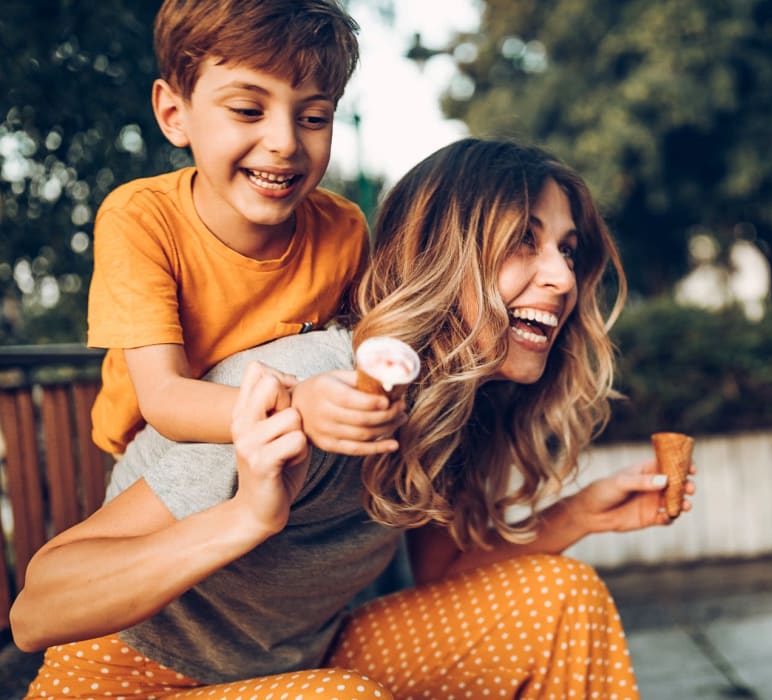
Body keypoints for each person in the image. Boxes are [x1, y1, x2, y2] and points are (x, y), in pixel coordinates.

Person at [12, 139, 694, 699]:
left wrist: (579, 515)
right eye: (524, 242)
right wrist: (247, 515)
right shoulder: (304, 383)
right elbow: (39, 608)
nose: (563, 278)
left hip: (289, 669)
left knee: (561, 600)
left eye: (568, 251)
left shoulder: (453, 400)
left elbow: (434, 569)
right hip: (123, 683)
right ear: (440, 253)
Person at [86, 0, 404, 457]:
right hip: (154, 454)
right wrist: (298, 406)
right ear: (175, 114)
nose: (285, 142)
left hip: (272, 447)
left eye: (314, 118)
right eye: (247, 110)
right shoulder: (140, 218)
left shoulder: (344, 229)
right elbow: (163, 397)